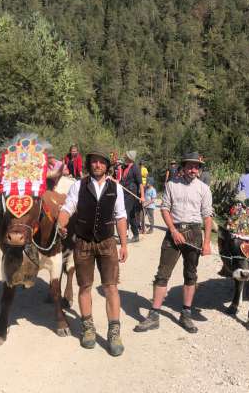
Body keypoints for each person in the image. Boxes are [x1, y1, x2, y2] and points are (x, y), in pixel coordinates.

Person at [57, 149, 128, 356]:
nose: (97, 165)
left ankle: (114, 332)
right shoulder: (78, 185)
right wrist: (61, 224)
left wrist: (123, 244)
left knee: (111, 287)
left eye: (101, 162)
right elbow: (67, 208)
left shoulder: (116, 188)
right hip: (83, 243)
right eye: (94, 162)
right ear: (90, 165)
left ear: (107, 166)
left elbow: (121, 217)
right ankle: (88, 328)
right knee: (85, 287)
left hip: (107, 243)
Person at [135, 152, 213, 334]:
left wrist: (207, 242)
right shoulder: (171, 185)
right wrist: (173, 230)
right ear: (184, 167)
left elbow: (207, 217)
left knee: (191, 274)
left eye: (196, 166)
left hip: (194, 232)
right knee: (162, 274)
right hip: (174, 232)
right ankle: (154, 315)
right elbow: (165, 209)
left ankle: (186, 314)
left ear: (199, 170)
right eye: (190, 166)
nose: (193, 169)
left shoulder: (204, 189)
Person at [121, 150, 144, 243]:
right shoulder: (125, 167)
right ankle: (136, 235)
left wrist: (142, 196)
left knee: (125, 213)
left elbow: (140, 184)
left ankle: (124, 236)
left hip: (131, 194)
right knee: (131, 215)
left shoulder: (135, 168)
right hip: (124, 192)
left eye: (126, 156)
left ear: (130, 158)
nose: (124, 157)